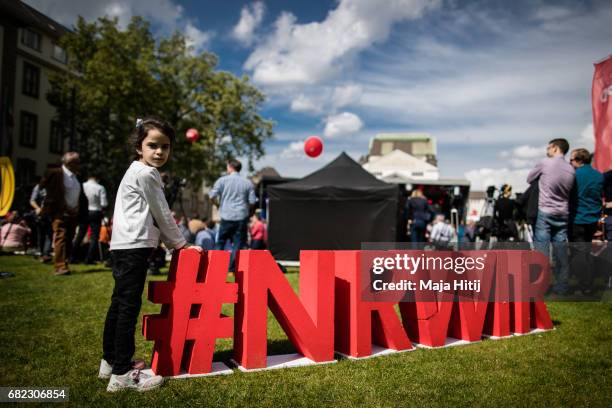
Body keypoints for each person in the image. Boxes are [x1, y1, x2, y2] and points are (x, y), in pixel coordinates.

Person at [100, 117, 199, 393]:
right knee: (128, 307)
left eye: (165, 147)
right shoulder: (146, 174)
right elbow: (162, 213)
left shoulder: (135, 170)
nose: (159, 152)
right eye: (152, 145)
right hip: (134, 245)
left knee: (119, 304)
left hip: (123, 245)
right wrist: (180, 244)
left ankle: (109, 361)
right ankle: (121, 373)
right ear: (138, 147)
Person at [527, 138, 575, 295]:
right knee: (561, 251)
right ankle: (562, 286)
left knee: (542, 250)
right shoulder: (570, 168)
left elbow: (530, 179)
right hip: (563, 212)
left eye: (548, 148)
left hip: (545, 211)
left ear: (555, 148)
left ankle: (541, 286)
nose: (547, 151)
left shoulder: (545, 163)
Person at [40, 152, 88, 276]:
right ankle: (60, 266)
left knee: (69, 238)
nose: (79, 165)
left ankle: (64, 262)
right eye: (77, 162)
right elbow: (45, 189)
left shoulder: (76, 177)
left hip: (73, 213)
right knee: (61, 237)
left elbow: (79, 195)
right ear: (70, 163)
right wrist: (60, 207)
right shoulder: (55, 173)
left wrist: (77, 208)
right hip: (59, 213)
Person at [209, 159, 256, 271]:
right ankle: (231, 268)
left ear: (230, 167)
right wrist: (248, 213)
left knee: (220, 242)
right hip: (241, 216)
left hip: (226, 215)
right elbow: (252, 202)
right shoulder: (247, 183)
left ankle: (216, 267)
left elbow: (211, 196)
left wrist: (218, 205)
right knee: (238, 244)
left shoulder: (222, 181)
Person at [568, 148, 603, 293]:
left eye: (571, 159)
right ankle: (589, 281)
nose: (569, 162)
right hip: (592, 218)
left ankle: (585, 285)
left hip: (577, 217)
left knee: (578, 253)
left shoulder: (574, 175)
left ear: (579, 160)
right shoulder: (599, 176)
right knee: (586, 251)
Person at [81, 174, 108, 264]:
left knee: (80, 234)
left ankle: (72, 256)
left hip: (84, 211)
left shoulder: (83, 185)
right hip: (96, 211)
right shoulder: (100, 187)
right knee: (94, 236)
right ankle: (89, 258)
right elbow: (104, 203)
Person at [29, 179, 52, 262]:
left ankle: (46, 254)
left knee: (49, 234)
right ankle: (42, 252)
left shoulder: (54, 187)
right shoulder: (38, 187)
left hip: (50, 213)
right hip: (40, 214)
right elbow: (32, 200)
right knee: (41, 234)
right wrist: (37, 208)